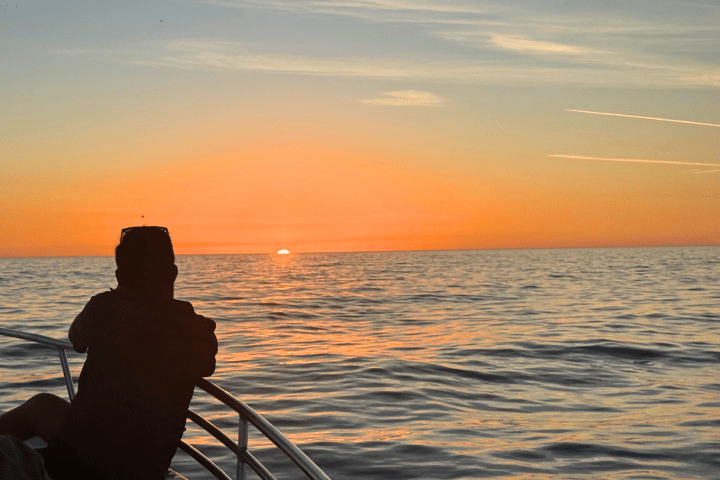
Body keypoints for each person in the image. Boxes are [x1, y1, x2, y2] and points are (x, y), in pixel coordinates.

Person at [0, 226, 218, 479]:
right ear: (173, 273)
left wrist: (118, 296)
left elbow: (76, 338)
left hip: (79, 462)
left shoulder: (105, 308)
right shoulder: (198, 330)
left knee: (28, 421)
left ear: (119, 275)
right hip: (145, 470)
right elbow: (206, 365)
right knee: (43, 405)